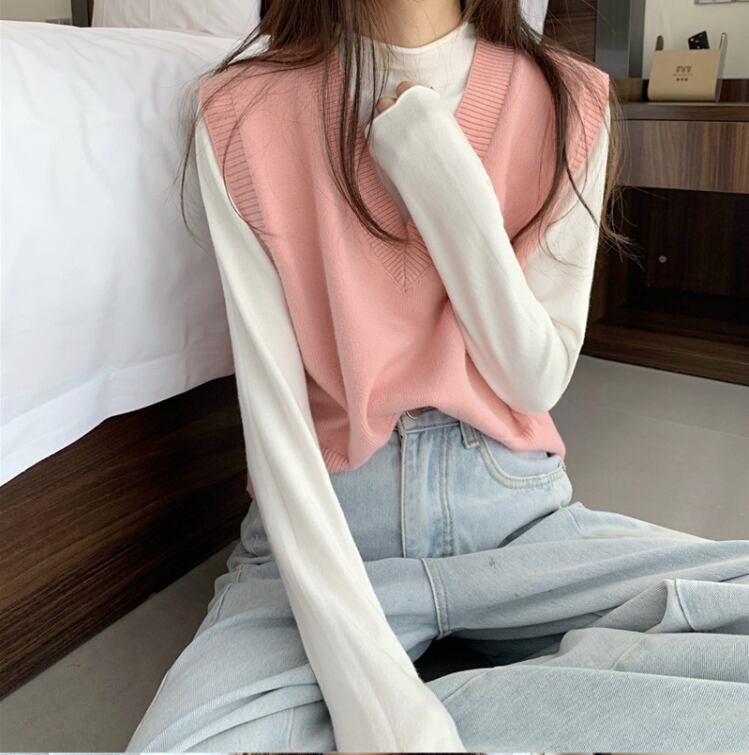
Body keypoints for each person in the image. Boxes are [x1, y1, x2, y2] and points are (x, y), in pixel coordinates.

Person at [126, 0, 749, 752]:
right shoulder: (240, 108)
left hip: (517, 522)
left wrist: (437, 170)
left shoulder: (568, 95)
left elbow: (533, 378)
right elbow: (275, 428)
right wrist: (387, 712)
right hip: (327, 533)